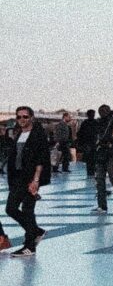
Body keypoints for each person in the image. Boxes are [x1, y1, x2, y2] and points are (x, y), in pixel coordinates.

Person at [3, 106, 50, 255]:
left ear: (31, 118)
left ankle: (30, 246)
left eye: (25, 117)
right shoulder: (18, 134)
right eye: (19, 117)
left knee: (27, 210)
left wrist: (36, 180)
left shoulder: (38, 135)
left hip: (30, 178)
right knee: (10, 209)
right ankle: (36, 231)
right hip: (17, 176)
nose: (22, 120)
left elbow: (40, 159)